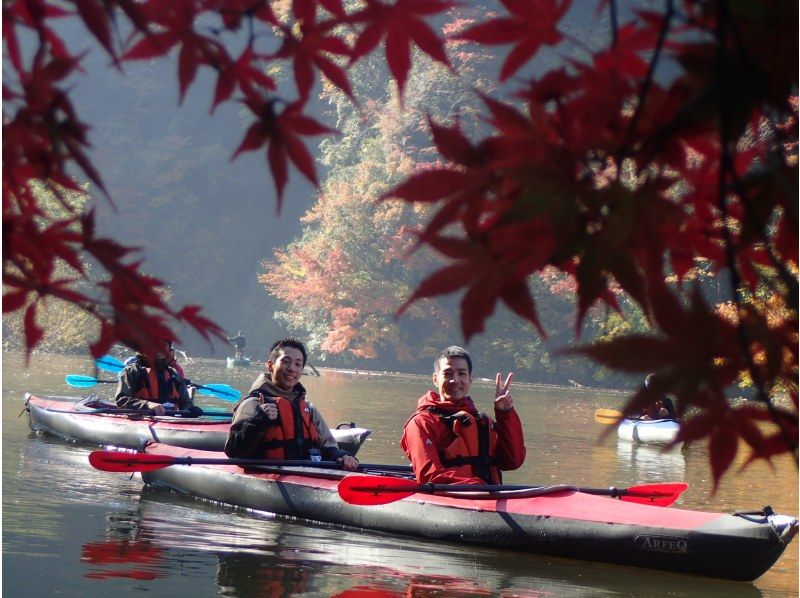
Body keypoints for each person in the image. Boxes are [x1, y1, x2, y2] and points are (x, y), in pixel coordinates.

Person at [224, 337, 359, 470]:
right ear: (270, 365)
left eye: (298, 364)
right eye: (286, 362)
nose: (292, 369)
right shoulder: (254, 404)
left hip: (307, 473)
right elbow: (234, 453)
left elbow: (327, 445)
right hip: (268, 476)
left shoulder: (308, 409)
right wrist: (259, 420)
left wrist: (342, 455)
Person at [400, 345, 526, 485]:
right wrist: (478, 487)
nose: (455, 380)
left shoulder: (482, 422)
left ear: (470, 379)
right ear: (435, 379)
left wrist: (505, 414)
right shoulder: (421, 423)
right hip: (458, 498)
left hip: (488, 496)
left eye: (462, 373)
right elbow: (429, 476)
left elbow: (513, 462)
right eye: (448, 374)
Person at [115, 340, 202, 416]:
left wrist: (190, 409)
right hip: (142, 419)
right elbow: (121, 399)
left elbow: (186, 403)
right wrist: (147, 405)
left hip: (170, 420)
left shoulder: (174, 375)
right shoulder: (132, 371)